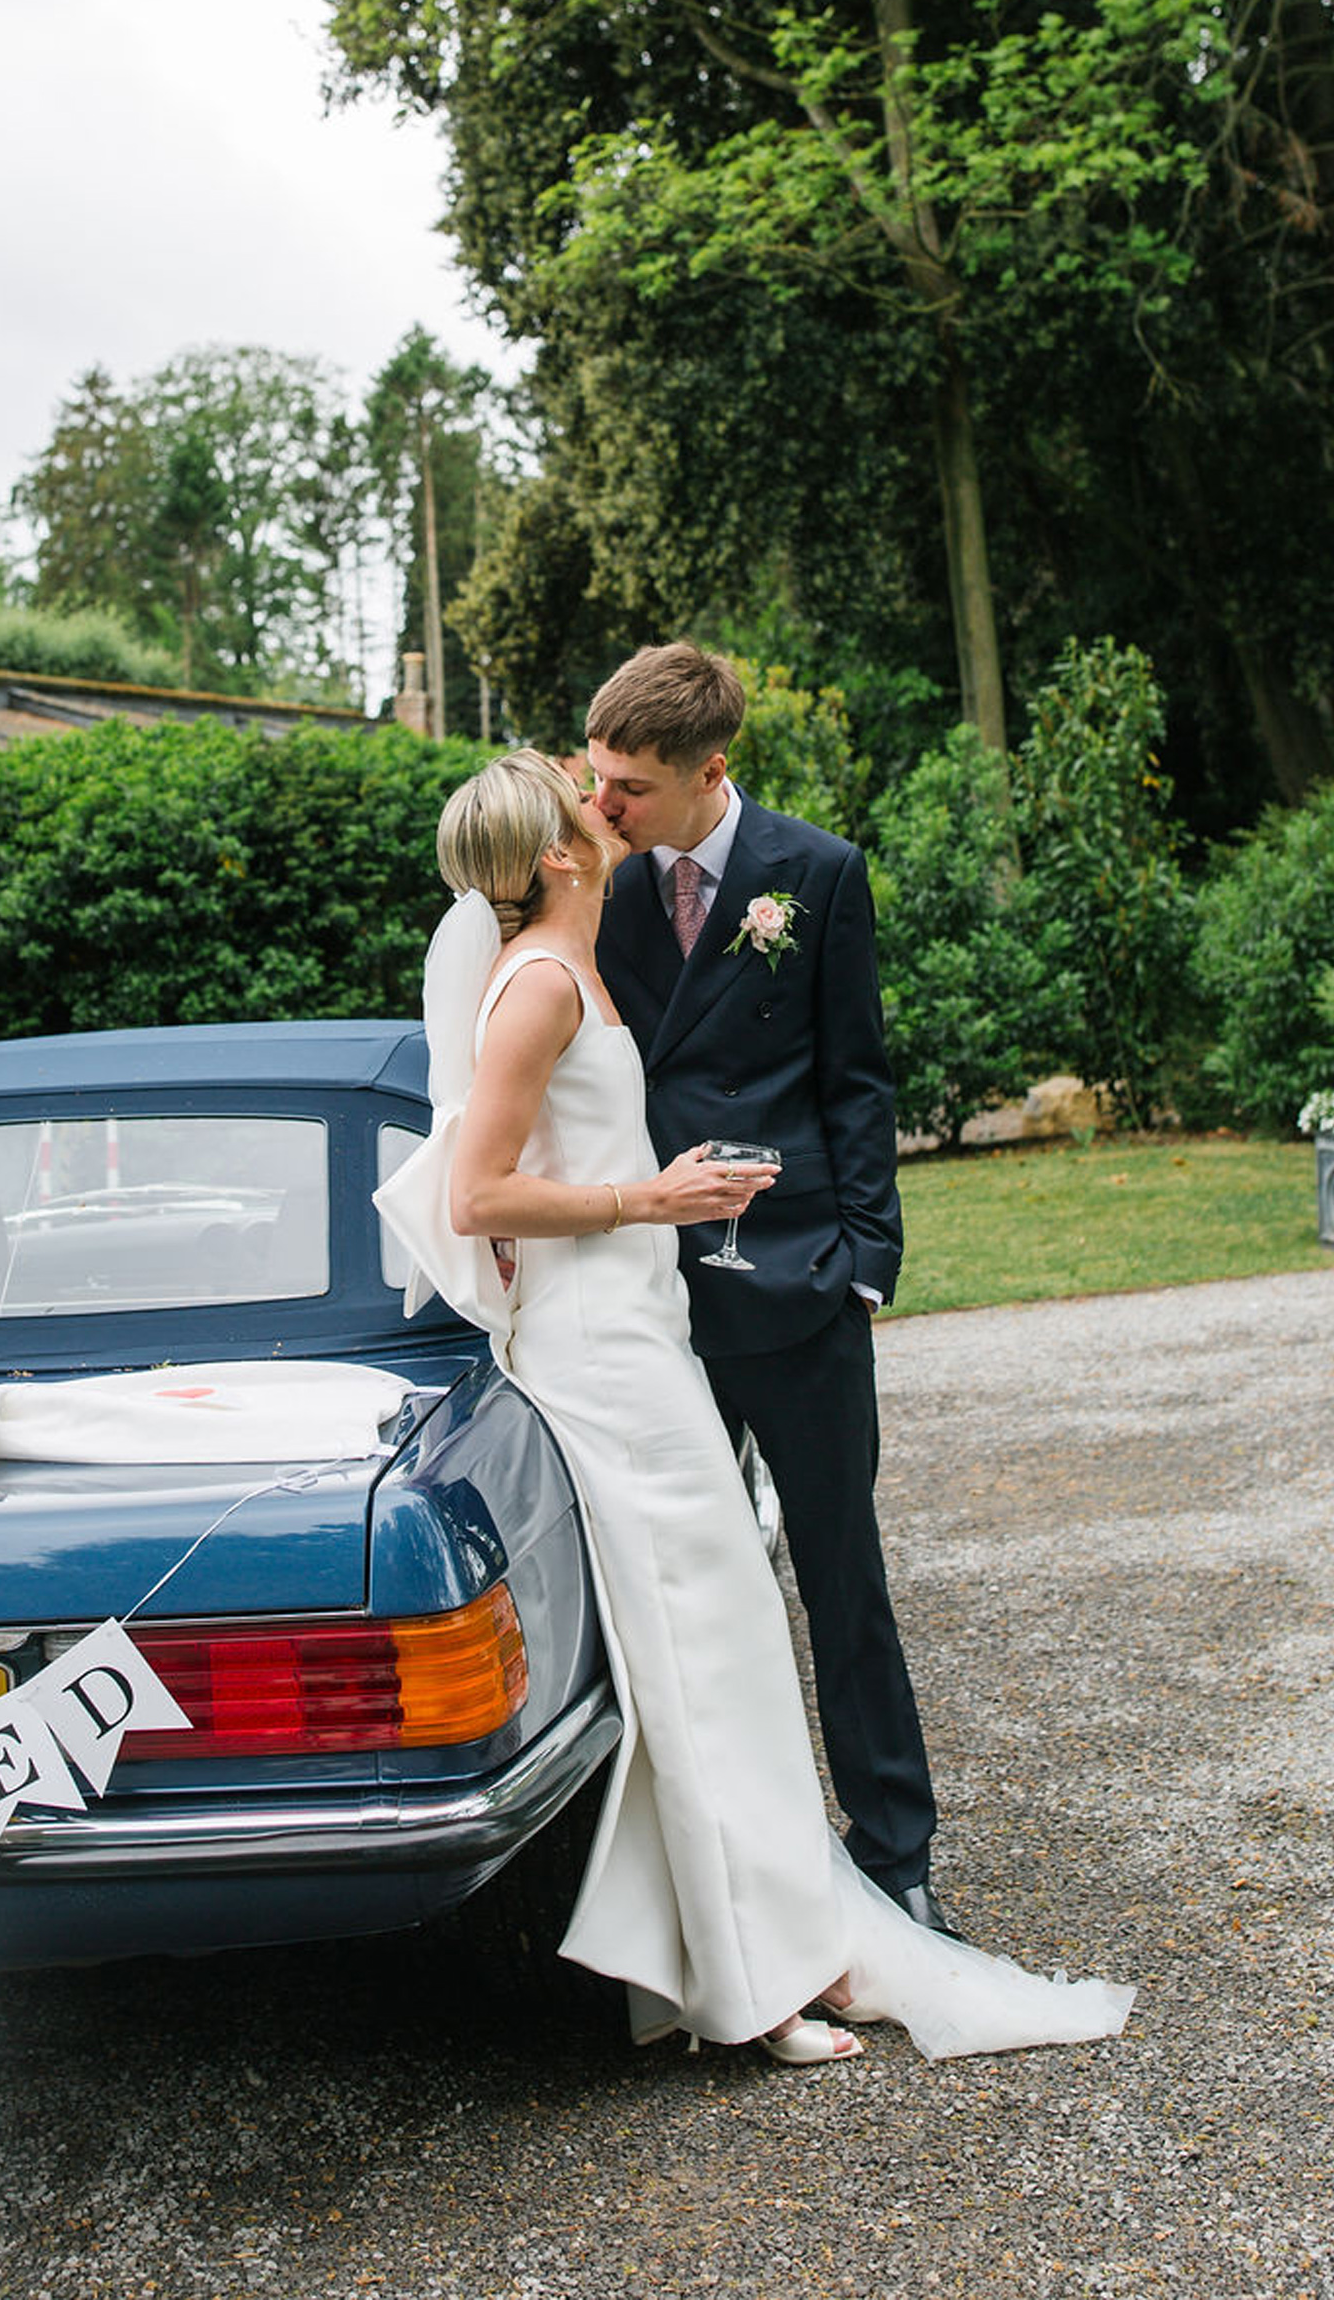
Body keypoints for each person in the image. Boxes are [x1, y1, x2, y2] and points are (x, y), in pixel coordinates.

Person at [376, 746, 1133, 2061]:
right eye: (582, 800)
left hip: (641, 1331)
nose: (602, 804)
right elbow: (473, 1195)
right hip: (599, 1360)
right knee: (696, 1654)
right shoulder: (538, 987)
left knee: (721, 1644)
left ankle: (794, 1945)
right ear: (557, 854)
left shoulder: (569, 960)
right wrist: (646, 1199)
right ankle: (756, 1986)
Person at [586, 644, 943, 1931]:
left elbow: (856, 1077)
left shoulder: (817, 873)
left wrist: (866, 1267)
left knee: (842, 1577)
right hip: (648, 1295)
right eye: (595, 773)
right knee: (686, 1589)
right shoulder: (586, 881)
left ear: (708, 774)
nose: (602, 803)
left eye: (627, 785)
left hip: (798, 1283)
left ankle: (898, 1856)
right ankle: (720, 1875)